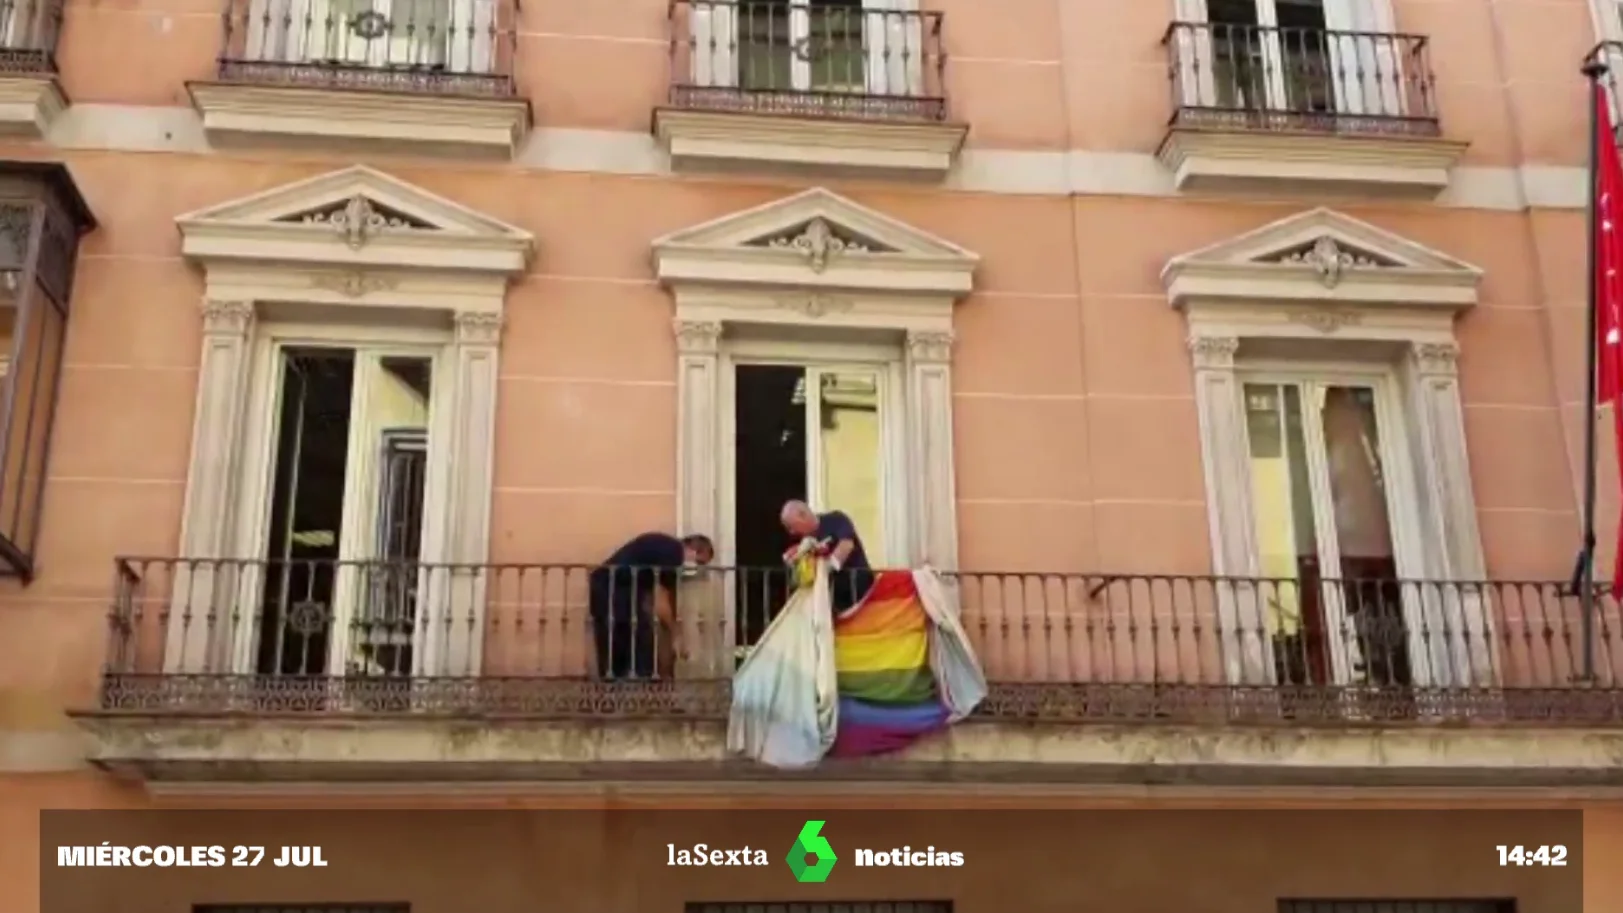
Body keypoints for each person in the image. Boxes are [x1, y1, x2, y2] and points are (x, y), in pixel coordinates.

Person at [588, 532, 714, 680]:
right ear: (693, 551)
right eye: (700, 563)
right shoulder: (673, 553)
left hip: (613, 586)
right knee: (630, 637)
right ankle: (634, 684)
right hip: (611, 588)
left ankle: (619, 683)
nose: (698, 568)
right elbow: (662, 602)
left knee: (625, 635)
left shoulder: (667, 548)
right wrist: (676, 636)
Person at [779, 500, 874, 614]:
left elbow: (847, 545)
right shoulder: (800, 539)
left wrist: (826, 567)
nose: (792, 532)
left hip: (860, 591)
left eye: (792, 526)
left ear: (803, 515)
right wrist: (794, 562)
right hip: (831, 599)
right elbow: (800, 572)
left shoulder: (836, 519)